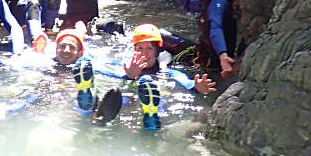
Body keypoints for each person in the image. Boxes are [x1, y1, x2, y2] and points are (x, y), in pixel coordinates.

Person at [73, 24, 216, 130]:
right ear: (134, 50)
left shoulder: (166, 72)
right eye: (140, 48)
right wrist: (128, 76)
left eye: (149, 48)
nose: (144, 53)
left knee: (156, 97)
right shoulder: (124, 67)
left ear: (157, 51)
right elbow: (99, 66)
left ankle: (151, 117)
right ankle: (87, 98)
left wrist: (197, 87)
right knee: (116, 97)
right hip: (125, 100)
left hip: (154, 95)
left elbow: (187, 82)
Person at [152, 0, 238, 77]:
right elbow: (189, 5)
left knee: (155, 42)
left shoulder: (218, 3)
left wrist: (223, 56)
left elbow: (215, 27)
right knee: (157, 35)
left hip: (212, 64)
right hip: (203, 54)